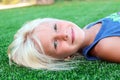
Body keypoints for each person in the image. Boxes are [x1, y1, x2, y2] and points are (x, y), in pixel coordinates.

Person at [8, 12, 120, 70]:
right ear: (65, 57)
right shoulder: (104, 47)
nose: (64, 34)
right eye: (55, 44)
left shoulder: (88, 27)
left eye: (55, 27)